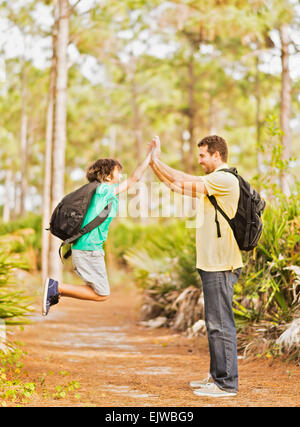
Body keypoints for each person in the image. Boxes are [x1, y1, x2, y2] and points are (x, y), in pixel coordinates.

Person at [150, 134, 243, 398]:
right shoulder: (212, 184)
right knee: (214, 321)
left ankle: (227, 385)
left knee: (220, 323)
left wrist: (157, 159)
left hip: (222, 263)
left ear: (217, 155)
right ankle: (217, 377)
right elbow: (175, 186)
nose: (199, 160)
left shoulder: (224, 179)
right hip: (211, 263)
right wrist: (153, 165)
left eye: (203, 155)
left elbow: (180, 178)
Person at [42, 146, 153, 316]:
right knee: (102, 294)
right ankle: (56, 288)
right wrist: (149, 156)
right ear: (107, 175)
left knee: (100, 292)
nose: (121, 175)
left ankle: (56, 290)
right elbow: (134, 178)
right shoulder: (104, 190)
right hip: (89, 249)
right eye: (118, 171)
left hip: (87, 248)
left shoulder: (100, 192)